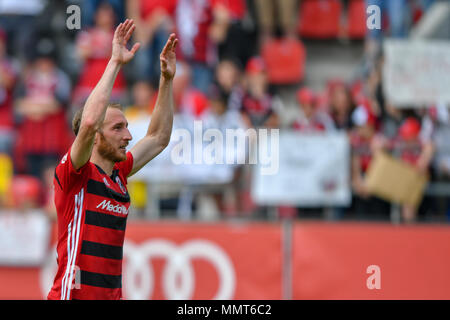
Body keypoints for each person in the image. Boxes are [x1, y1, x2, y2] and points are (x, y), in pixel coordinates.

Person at [47, 20, 177, 300]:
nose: (128, 135)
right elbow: (91, 119)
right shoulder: (74, 175)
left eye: (127, 126)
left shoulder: (119, 172)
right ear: (94, 136)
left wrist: (166, 81)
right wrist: (115, 61)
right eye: (118, 128)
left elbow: (159, 138)